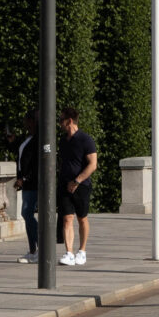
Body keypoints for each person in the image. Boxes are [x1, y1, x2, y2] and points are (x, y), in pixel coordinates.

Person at [57, 110, 98, 267]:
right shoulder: (62, 141)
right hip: (64, 184)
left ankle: (82, 251)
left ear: (69, 121)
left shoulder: (85, 139)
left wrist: (77, 180)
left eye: (61, 120)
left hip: (81, 186)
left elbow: (93, 164)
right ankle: (69, 253)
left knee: (82, 218)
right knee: (67, 218)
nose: (60, 123)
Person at [14, 114, 39, 263]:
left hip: (33, 183)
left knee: (26, 212)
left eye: (27, 122)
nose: (25, 125)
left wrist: (24, 178)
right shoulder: (28, 139)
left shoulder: (37, 140)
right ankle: (33, 250)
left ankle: (39, 247)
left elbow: (36, 164)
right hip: (27, 183)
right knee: (27, 214)